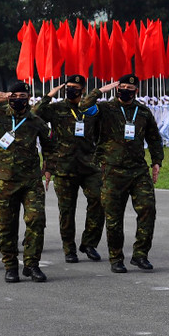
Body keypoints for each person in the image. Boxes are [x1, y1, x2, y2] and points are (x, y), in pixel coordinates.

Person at [0, 81, 53, 283]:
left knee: (36, 220)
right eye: (14, 96)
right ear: (8, 97)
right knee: (7, 226)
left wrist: (48, 167)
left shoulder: (35, 120)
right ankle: (11, 266)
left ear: (28, 98)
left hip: (30, 181)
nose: (18, 100)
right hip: (3, 181)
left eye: (23, 96)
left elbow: (50, 145)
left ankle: (32, 265)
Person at [34, 75, 110, 264]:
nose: (71, 90)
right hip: (64, 166)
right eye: (68, 87)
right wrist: (49, 96)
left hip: (89, 165)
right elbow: (35, 114)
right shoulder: (57, 108)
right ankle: (69, 248)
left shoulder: (92, 110)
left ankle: (89, 243)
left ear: (83, 90)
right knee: (67, 211)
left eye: (75, 87)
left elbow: (102, 134)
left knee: (99, 201)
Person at [95, 74, 163, 273]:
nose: (125, 90)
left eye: (129, 88)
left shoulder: (143, 112)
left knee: (148, 209)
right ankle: (116, 258)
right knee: (114, 217)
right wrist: (99, 91)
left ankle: (140, 254)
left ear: (136, 91)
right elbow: (83, 106)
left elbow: (154, 138)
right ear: (117, 88)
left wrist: (157, 161)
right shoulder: (105, 109)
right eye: (122, 87)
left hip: (138, 170)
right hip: (112, 170)